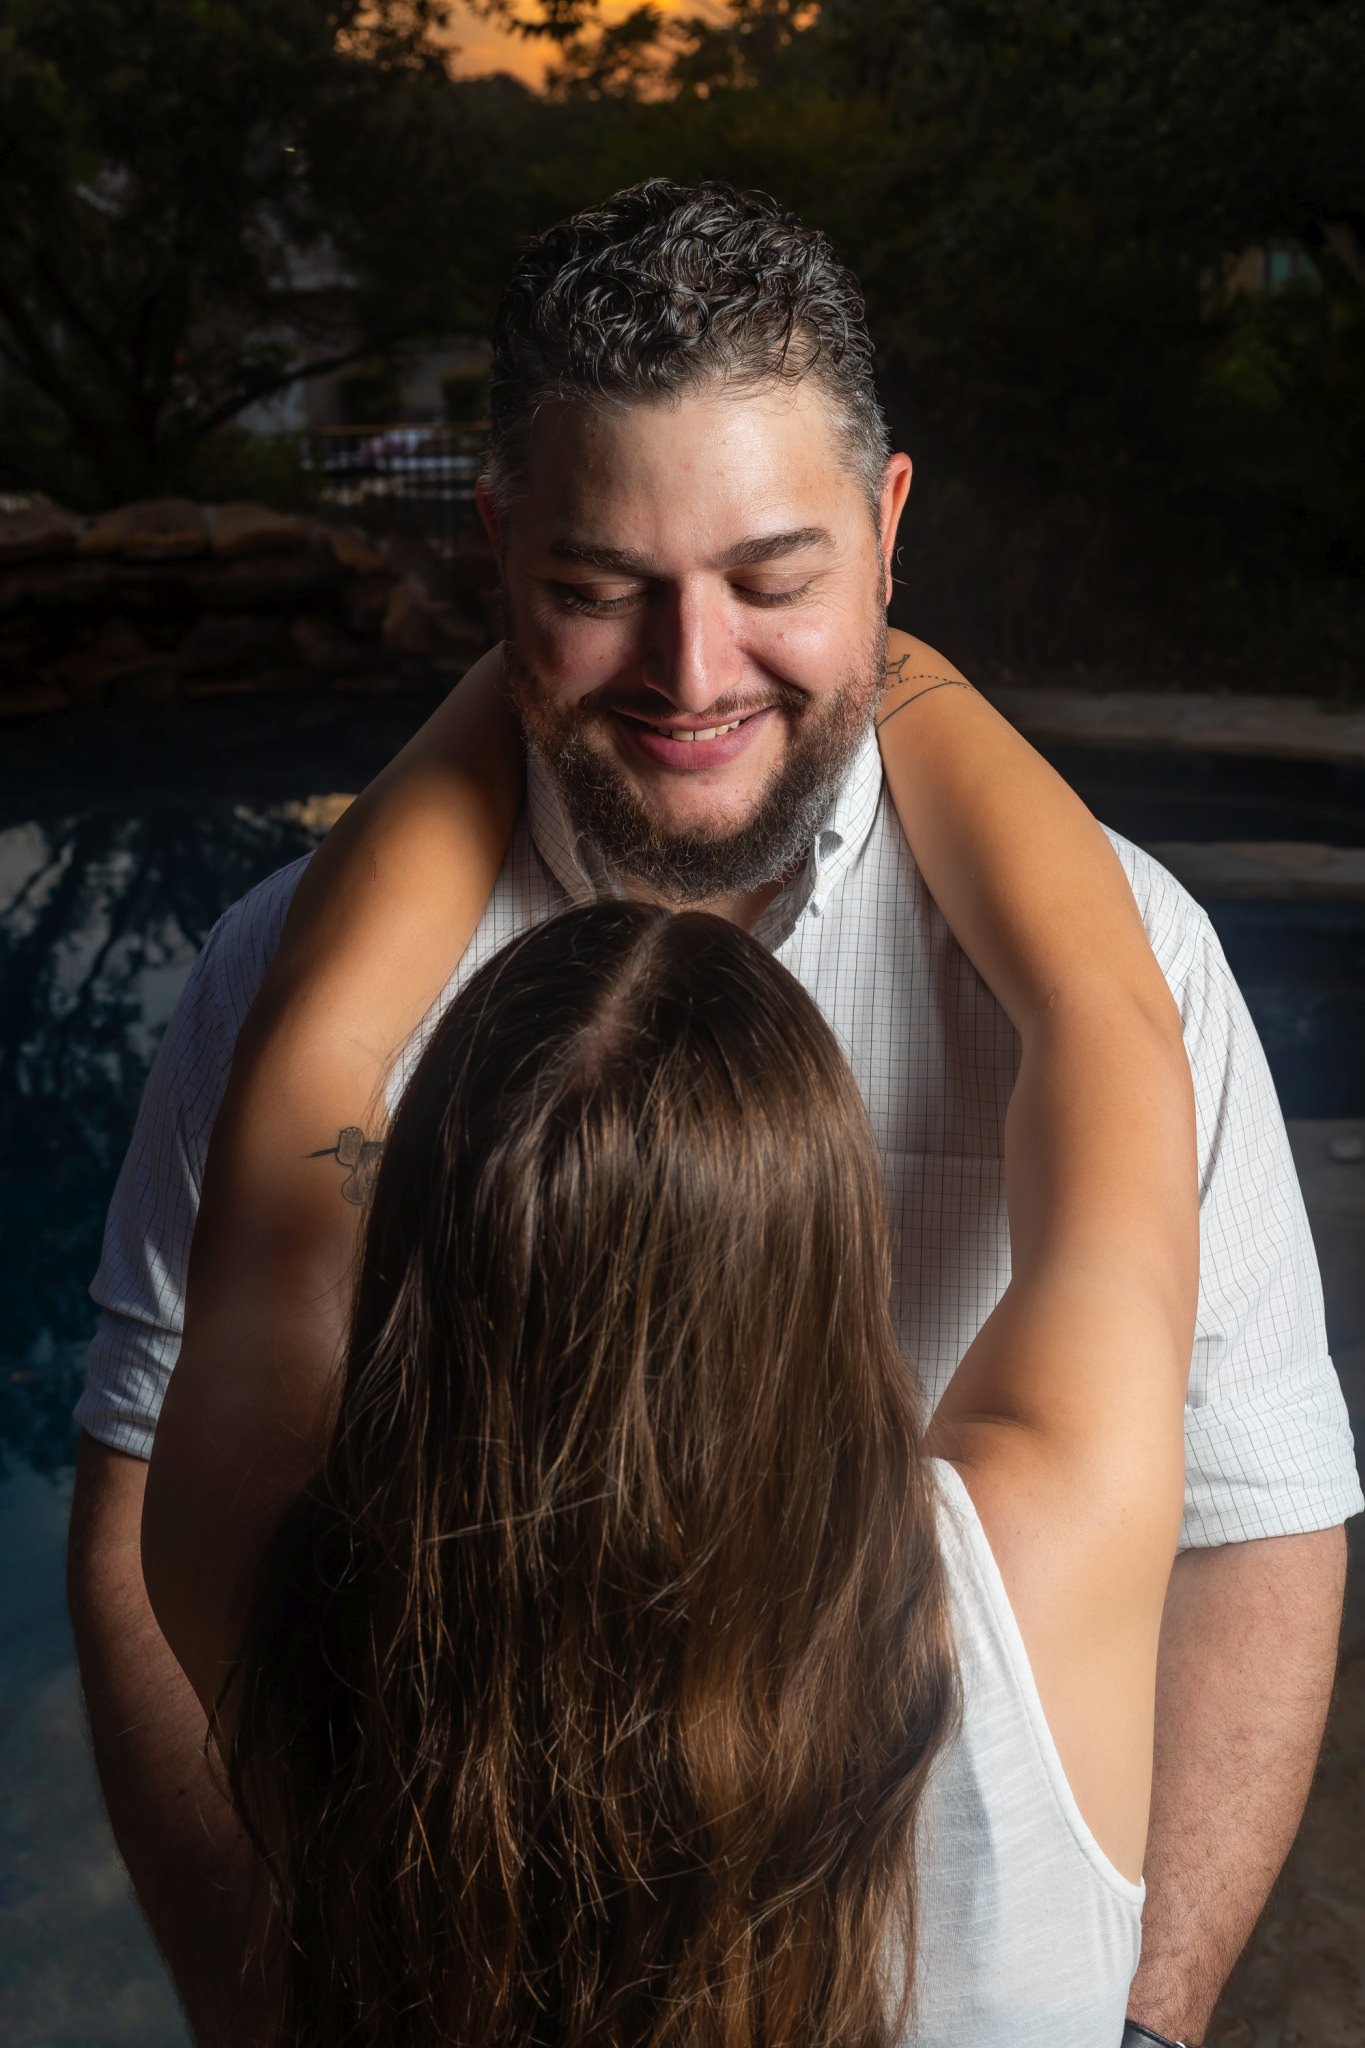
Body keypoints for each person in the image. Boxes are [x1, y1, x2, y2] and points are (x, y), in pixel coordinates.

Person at [69, 179, 1358, 2047]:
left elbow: (302, 1113)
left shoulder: (313, 1650)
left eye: (770, 581)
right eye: (597, 588)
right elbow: (1106, 1034)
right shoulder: (1005, 1618)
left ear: (885, 524)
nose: (689, 674)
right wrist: (899, 668)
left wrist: (517, 663)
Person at [142, 658, 1201, 2048]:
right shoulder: (1036, 1577)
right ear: (835, 1259)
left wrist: (558, 629)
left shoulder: (273, 1583)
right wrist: (856, 635)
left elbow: (318, 1032)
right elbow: (1103, 1007)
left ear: (417, 1244)